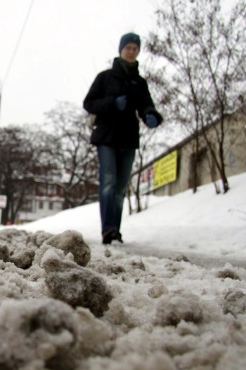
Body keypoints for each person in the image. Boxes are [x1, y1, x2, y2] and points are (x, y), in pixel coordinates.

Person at [83, 32, 163, 244]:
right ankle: (107, 229)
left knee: (120, 188)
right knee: (108, 181)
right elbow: (89, 103)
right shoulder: (105, 77)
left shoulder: (139, 83)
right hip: (107, 137)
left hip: (128, 139)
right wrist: (111, 103)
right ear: (121, 50)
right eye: (128, 47)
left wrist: (150, 115)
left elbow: (146, 104)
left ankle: (115, 230)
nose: (131, 51)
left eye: (135, 49)